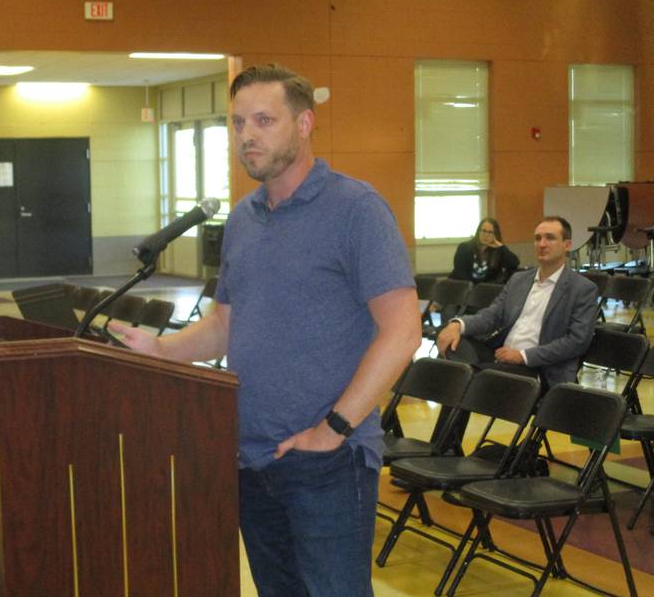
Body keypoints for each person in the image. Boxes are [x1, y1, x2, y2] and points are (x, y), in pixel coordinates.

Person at [110, 64, 420, 596]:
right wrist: (162, 349)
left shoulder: (356, 210)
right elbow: (225, 324)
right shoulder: (243, 220)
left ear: (304, 124)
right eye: (237, 123)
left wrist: (334, 428)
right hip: (251, 456)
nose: (247, 135)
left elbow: (403, 330)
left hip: (326, 461)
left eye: (263, 120)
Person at [436, 216, 597, 390]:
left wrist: (523, 356)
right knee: (452, 342)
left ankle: (468, 376)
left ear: (567, 245)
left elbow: (576, 341)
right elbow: (492, 315)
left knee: (461, 377)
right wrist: (457, 325)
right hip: (499, 354)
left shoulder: (582, 289)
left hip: (536, 368)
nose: (542, 244)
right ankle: (469, 374)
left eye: (550, 238)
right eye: (537, 238)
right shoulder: (519, 280)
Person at [450, 217, 520, 284]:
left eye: (490, 232)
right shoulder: (464, 248)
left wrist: (501, 247)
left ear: (495, 235)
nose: (486, 235)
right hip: (465, 289)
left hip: (486, 290)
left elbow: (514, 264)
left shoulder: (498, 251)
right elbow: (460, 273)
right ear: (478, 232)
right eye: (483, 231)